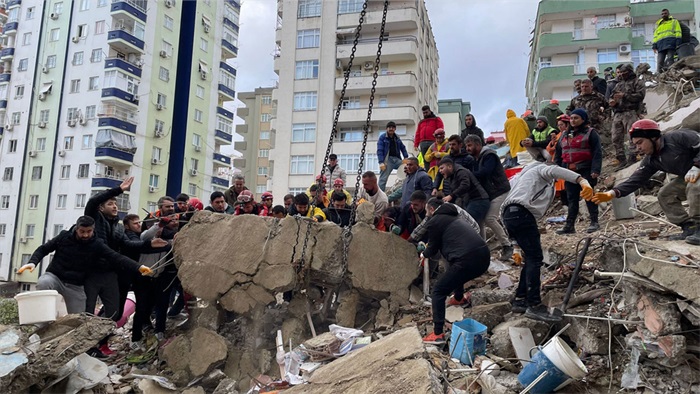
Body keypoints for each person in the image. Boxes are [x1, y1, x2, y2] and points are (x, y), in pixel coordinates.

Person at [501, 162, 593, 322]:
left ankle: (520, 299)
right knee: (535, 259)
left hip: (510, 215)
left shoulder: (520, 179)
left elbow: (506, 210)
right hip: (522, 214)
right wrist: (581, 180)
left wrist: (516, 246)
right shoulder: (539, 169)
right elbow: (554, 170)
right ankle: (534, 305)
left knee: (530, 258)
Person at [593, 120, 700, 245]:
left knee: (695, 187)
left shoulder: (679, 137)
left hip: (696, 173)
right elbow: (636, 179)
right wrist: (612, 193)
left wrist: (697, 165)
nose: (638, 148)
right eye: (636, 144)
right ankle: (689, 228)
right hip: (689, 176)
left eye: (640, 143)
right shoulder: (651, 159)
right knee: (666, 194)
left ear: (653, 137)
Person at [16, 216, 152, 314]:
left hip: (76, 285)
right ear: (76, 229)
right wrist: (32, 262)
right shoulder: (64, 237)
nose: (85, 235)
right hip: (55, 276)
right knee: (43, 282)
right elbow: (44, 249)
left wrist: (138, 267)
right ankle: (43, 318)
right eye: (82, 232)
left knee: (79, 319)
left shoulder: (97, 244)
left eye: (89, 232)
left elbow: (116, 257)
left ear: (93, 230)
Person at [83, 177, 166, 322]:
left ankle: (101, 343)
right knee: (88, 311)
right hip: (92, 272)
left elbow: (128, 244)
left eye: (116, 204)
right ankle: (88, 344)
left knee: (115, 312)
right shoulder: (94, 219)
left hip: (110, 272)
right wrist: (119, 189)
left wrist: (150, 245)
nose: (115, 206)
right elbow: (93, 202)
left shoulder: (118, 227)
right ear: (101, 208)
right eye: (110, 204)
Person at [421, 197, 490, 344]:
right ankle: (459, 298)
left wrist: (423, 254)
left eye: (427, 211)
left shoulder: (435, 221)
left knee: (438, 291)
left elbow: (432, 248)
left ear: (432, 209)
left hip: (468, 259)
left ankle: (438, 333)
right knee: (455, 270)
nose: (427, 215)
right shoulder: (455, 217)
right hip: (483, 256)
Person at [132, 209, 179, 348]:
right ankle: (136, 338)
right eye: (153, 226)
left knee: (162, 304)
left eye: (160, 227)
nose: (158, 230)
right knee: (141, 308)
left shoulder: (166, 240)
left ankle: (160, 331)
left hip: (159, 277)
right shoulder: (144, 240)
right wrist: (158, 225)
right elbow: (146, 236)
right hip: (143, 278)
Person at [554, 108, 603, 234]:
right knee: (572, 199)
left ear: (583, 119)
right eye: (571, 118)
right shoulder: (564, 135)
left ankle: (594, 222)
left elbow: (597, 152)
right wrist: (556, 171)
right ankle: (569, 226)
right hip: (570, 173)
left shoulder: (591, 133)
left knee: (589, 197)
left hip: (586, 170)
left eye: (576, 118)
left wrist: (595, 170)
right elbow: (559, 154)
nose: (573, 121)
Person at [465, 135, 513, 259]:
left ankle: (507, 245)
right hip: (490, 193)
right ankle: (483, 249)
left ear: (478, 144)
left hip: (499, 190)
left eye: (470, 145)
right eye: (466, 146)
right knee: (480, 220)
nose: (467, 148)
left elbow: (485, 173)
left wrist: (469, 175)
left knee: (489, 218)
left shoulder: (488, 156)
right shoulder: (477, 159)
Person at [610, 63, 646, 170]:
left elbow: (640, 96)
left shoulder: (638, 82)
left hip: (631, 112)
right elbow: (612, 96)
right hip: (618, 113)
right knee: (616, 137)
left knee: (632, 136)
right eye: (620, 73)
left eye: (624, 73)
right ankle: (621, 159)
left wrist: (624, 95)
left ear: (629, 72)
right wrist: (612, 102)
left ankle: (632, 157)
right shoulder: (618, 84)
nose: (621, 75)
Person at [437, 157, 490, 227]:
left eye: (442, 168)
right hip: (470, 200)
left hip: (479, 199)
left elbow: (465, 185)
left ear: (449, 166)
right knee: (477, 225)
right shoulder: (451, 176)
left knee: (469, 225)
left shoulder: (460, 171)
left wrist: (451, 195)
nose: (440, 171)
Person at [377, 121, 409, 191]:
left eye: (393, 127)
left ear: (395, 129)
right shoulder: (382, 138)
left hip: (397, 160)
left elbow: (403, 147)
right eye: (389, 127)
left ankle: (405, 188)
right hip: (388, 160)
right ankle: (380, 195)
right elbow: (380, 150)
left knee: (408, 169)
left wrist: (406, 157)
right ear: (386, 129)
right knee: (383, 179)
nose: (391, 129)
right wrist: (381, 162)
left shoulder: (396, 137)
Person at [414, 105, 444, 171]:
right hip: (423, 143)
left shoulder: (436, 119)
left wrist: (438, 139)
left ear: (430, 111)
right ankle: (428, 173)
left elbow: (440, 129)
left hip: (433, 141)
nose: (425, 114)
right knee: (426, 160)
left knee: (434, 158)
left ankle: (436, 172)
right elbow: (418, 133)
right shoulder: (421, 122)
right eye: (424, 113)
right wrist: (416, 144)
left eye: (426, 112)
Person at [653, 8, 682, 74]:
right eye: (662, 14)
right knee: (660, 61)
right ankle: (659, 75)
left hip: (671, 44)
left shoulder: (674, 21)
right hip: (661, 45)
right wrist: (654, 45)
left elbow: (678, 32)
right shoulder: (658, 24)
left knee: (670, 60)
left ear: (668, 14)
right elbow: (655, 36)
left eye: (665, 13)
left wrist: (678, 42)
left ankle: (671, 74)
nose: (663, 15)